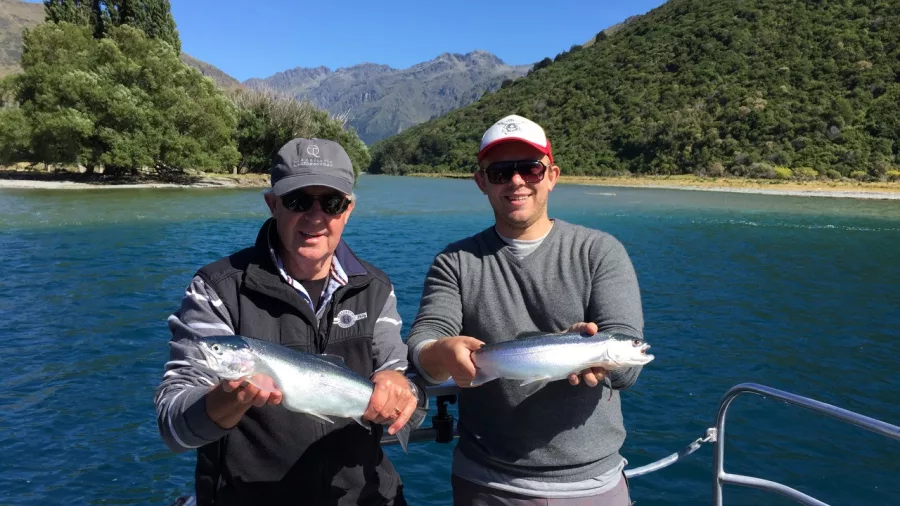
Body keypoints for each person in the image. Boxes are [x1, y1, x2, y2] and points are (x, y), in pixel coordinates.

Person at [154, 138, 423, 506]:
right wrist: (225, 401)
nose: (315, 217)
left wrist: (399, 385)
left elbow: (397, 370)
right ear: (273, 204)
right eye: (298, 201)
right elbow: (173, 427)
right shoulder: (216, 288)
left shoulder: (375, 288)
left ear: (348, 210)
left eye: (330, 203)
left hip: (365, 497)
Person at [407, 114, 646, 505]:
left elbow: (627, 369)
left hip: (593, 486)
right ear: (481, 181)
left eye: (529, 169)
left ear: (551, 175)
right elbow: (424, 341)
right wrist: (441, 353)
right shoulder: (455, 262)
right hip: (485, 485)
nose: (516, 181)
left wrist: (606, 364)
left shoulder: (600, 252)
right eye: (501, 172)